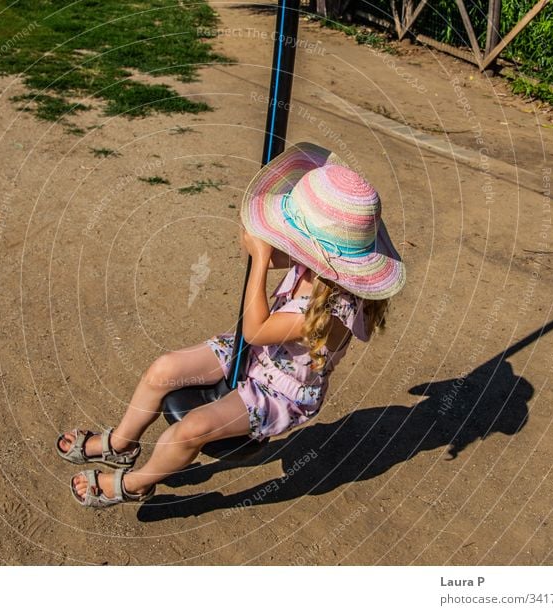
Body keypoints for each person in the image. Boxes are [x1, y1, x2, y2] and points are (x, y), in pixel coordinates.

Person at [57, 142, 406, 507]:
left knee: (189, 430)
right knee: (164, 370)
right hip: (254, 352)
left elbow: (257, 328)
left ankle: (136, 483)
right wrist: (260, 230)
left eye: (290, 236)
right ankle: (121, 443)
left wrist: (259, 260)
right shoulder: (320, 266)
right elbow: (264, 307)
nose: (281, 242)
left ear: (317, 250)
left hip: (280, 390)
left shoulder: (333, 306)